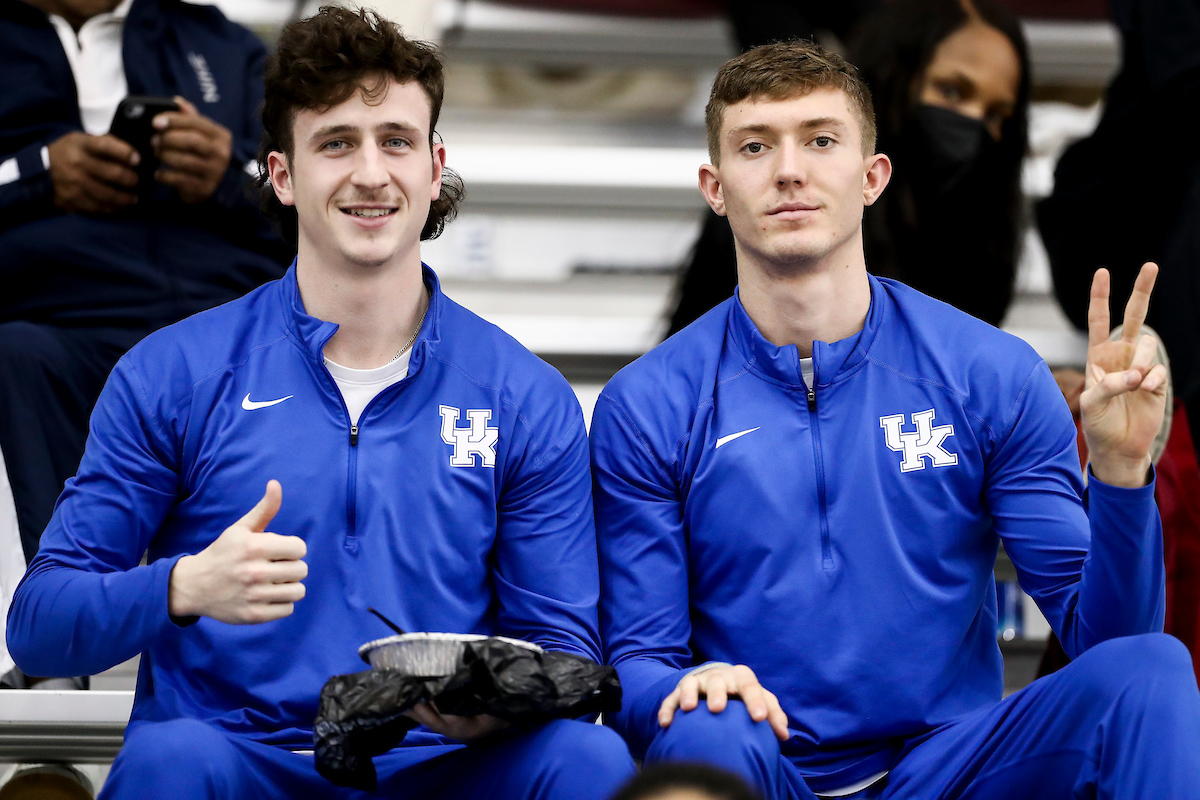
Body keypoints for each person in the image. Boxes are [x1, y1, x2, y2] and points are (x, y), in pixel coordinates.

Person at [6, 7, 635, 799]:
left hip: (437, 767)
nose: (370, 173)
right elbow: (38, 623)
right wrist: (183, 587)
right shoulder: (173, 371)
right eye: (336, 143)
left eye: (395, 142)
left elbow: (563, 646)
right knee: (170, 760)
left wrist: (496, 704)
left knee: (590, 762)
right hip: (243, 760)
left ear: (434, 168)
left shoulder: (521, 393)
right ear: (281, 175)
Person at [592, 40, 1200, 800]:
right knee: (711, 719)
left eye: (820, 140)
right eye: (756, 146)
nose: (789, 169)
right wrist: (692, 688)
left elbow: (1110, 642)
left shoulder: (989, 372)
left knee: (1156, 669)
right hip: (761, 769)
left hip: (949, 772)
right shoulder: (647, 404)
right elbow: (638, 666)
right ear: (716, 188)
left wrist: (1118, 472)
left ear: (872, 175)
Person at [0, 0, 290, 684]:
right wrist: (38, 171)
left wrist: (230, 173)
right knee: (15, 357)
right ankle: (54, 645)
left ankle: (257, 659)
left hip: (221, 319)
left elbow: (310, 195)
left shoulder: (221, 45)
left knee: (290, 363)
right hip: (57, 319)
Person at [666, 0, 1027, 335]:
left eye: (995, 115)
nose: (970, 126)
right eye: (950, 91)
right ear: (892, 77)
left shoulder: (977, 233)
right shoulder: (785, 205)